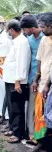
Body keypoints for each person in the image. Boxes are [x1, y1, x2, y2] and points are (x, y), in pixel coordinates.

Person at [2, 19, 31, 143]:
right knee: (11, 106)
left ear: (12, 30)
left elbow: (22, 63)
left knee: (17, 108)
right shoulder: (16, 41)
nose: (9, 33)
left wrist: (18, 80)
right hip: (10, 79)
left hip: (17, 81)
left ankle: (18, 134)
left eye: (9, 31)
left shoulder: (22, 42)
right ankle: (13, 129)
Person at [20, 14, 44, 143]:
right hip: (32, 79)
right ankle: (32, 134)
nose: (24, 32)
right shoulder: (29, 40)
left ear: (30, 28)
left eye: (25, 29)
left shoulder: (46, 37)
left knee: (43, 108)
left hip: (45, 78)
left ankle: (42, 135)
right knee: (32, 106)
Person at [32, 12, 52, 150]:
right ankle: (40, 142)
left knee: (49, 117)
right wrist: (36, 79)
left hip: (49, 85)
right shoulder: (44, 40)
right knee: (40, 114)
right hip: (43, 83)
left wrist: (47, 84)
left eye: (43, 27)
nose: (41, 29)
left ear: (50, 26)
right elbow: (39, 59)